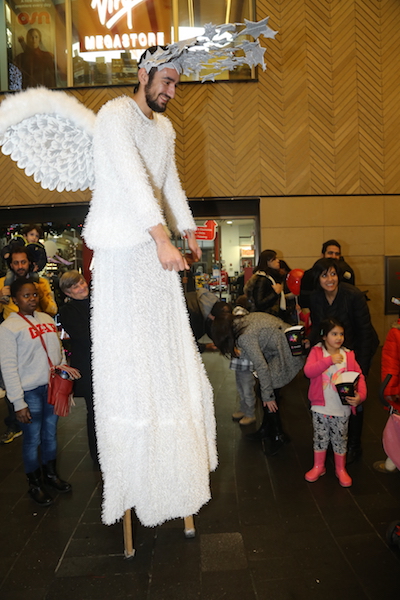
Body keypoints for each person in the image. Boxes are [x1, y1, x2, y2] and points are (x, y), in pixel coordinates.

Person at [81, 47, 217, 527]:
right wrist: (162, 237)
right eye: (166, 81)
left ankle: (173, 470)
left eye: (176, 84)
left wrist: (190, 233)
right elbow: (134, 180)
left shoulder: (165, 128)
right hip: (123, 251)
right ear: (143, 75)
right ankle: (133, 474)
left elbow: (169, 183)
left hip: (155, 250)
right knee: (131, 362)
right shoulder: (114, 115)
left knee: (165, 358)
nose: (171, 91)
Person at [0, 278, 80, 506]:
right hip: (29, 392)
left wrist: (63, 374)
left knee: (50, 436)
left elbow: (58, 351)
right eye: (26, 295)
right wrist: (18, 402)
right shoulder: (8, 328)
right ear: (15, 300)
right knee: (32, 439)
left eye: (34, 294)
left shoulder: (46, 319)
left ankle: (51, 476)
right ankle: (35, 483)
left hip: (52, 388)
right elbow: (8, 367)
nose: (32, 299)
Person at [308, 258, 379, 463]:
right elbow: (319, 328)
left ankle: (353, 444)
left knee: (353, 397)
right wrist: (310, 343)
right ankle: (331, 442)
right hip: (331, 353)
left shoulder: (353, 295)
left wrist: (361, 369)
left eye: (333, 274)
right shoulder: (316, 297)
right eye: (324, 275)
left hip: (356, 350)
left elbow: (365, 333)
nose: (330, 279)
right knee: (330, 395)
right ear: (318, 279)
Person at [210, 302, 304, 456]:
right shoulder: (242, 322)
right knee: (266, 392)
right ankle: (267, 429)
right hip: (281, 347)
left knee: (268, 394)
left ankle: (278, 435)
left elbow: (261, 366)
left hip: (288, 351)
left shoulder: (244, 336)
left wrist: (268, 396)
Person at [0, 247, 57, 444]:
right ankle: (14, 423)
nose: (19, 266)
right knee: (10, 380)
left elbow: (51, 309)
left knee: (47, 427)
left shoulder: (40, 283)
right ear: (10, 265)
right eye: (15, 263)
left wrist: (40, 296)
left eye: (23, 262)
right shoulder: (2, 284)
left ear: (29, 263)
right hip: (10, 339)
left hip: (36, 338)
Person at [304, 318, 366, 487]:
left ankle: (340, 468)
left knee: (340, 438)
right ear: (324, 336)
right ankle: (319, 466)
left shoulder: (348, 355)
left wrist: (360, 396)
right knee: (320, 437)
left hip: (341, 408)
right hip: (320, 406)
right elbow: (308, 371)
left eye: (341, 334)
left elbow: (359, 377)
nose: (338, 338)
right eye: (334, 334)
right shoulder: (317, 352)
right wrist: (329, 360)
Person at [58, 271, 98, 466]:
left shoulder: (99, 299)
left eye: (81, 282)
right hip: (90, 368)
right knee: (95, 412)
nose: (81, 287)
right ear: (67, 293)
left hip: (109, 364)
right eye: (75, 287)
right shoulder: (68, 311)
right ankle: (98, 455)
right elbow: (85, 336)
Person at [374, 309, 400, 473]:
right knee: (397, 427)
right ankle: (393, 458)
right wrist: (390, 389)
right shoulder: (396, 333)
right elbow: (391, 363)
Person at [300, 239, 355, 309]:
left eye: (337, 254)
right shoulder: (310, 274)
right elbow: (304, 300)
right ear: (322, 255)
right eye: (330, 253)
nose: (334, 256)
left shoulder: (347, 273)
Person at [244, 249, 289, 320]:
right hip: (265, 319)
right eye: (274, 259)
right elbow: (259, 303)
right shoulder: (262, 279)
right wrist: (275, 293)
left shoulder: (270, 277)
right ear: (267, 262)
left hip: (269, 317)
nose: (278, 261)